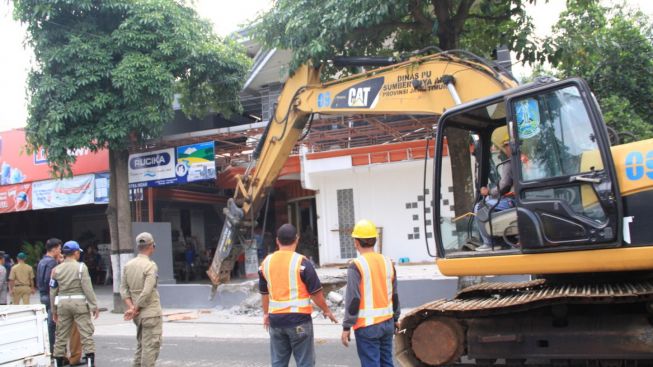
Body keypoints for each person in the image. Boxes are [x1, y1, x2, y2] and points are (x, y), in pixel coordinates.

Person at [259, 224, 338, 367]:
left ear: (277, 241)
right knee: (305, 363)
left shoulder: (266, 263)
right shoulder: (302, 263)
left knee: (278, 362)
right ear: (297, 239)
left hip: (276, 321)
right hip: (299, 321)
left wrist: (266, 314)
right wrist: (326, 310)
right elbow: (316, 294)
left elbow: (264, 293)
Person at [341, 219, 400, 367]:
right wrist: (396, 318)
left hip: (367, 326)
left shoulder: (356, 265)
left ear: (356, 242)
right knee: (387, 362)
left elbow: (353, 299)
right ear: (374, 240)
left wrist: (346, 326)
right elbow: (395, 295)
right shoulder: (388, 262)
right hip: (387, 323)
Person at [51, 241, 99, 367]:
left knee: (61, 336)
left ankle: (58, 363)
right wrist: (94, 306)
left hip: (63, 305)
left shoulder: (56, 270)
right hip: (79, 305)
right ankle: (90, 362)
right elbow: (88, 288)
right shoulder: (81, 267)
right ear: (76, 253)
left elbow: (53, 292)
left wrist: (54, 311)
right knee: (86, 334)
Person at [121, 232, 163, 367]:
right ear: (151, 246)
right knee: (150, 348)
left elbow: (123, 289)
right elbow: (147, 291)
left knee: (141, 346)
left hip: (137, 316)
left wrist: (132, 308)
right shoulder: (150, 266)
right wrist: (136, 308)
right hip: (150, 312)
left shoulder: (128, 265)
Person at [475, 137, 515, 252]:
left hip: (513, 201)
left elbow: (504, 185)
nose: (505, 149)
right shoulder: (524, 159)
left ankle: (490, 242)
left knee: (480, 207)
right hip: (521, 198)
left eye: (506, 146)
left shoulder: (510, 163)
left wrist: (489, 192)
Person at [37, 238, 62, 354]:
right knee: (53, 324)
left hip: (42, 294)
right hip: (50, 295)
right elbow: (50, 280)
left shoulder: (42, 261)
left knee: (48, 323)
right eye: (59, 248)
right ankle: (53, 351)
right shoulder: (52, 262)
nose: (61, 251)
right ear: (55, 249)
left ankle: (49, 348)